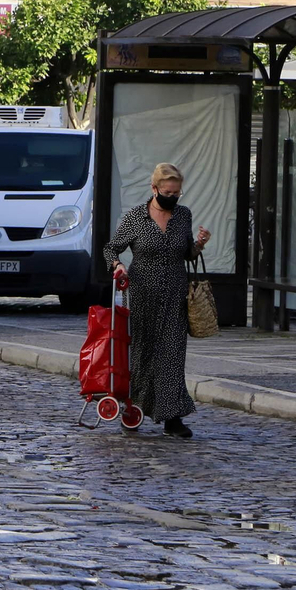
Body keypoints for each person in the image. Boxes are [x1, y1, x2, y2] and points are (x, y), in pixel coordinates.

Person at [104, 162, 212, 439]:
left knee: (173, 354)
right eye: (168, 192)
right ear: (154, 189)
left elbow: (187, 253)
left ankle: (172, 417)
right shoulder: (137, 217)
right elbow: (111, 247)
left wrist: (199, 243)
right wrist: (117, 265)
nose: (173, 197)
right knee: (142, 352)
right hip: (143, 292)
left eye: (177, 193)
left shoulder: (183, 215)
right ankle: (135, 409)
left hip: (175, 293)